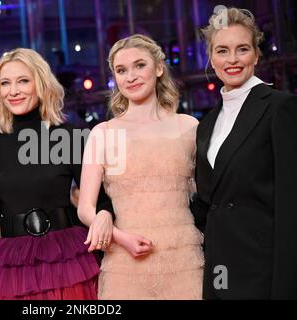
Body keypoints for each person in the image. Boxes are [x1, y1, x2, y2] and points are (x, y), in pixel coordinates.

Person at [0, 48, 114, 300]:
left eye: (23, 81)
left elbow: (100, 199)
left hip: (66, 259)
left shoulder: (68, 137)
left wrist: (106, 213)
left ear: (41, 84)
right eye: (5, 83)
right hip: (13, 266)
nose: (13, 91)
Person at [78, 34, 204, 300]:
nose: (131, 76)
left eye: (139, 65)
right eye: (121, 70)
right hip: (124, 262)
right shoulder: (103, 133)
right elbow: (85, 208)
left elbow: (209, 196)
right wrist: (119, 236)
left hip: (184, 260)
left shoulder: (190, 127)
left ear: (158, 68)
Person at [191, 7, 297, 300]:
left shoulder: (280, 108)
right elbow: (207, 203)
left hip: (263, 273)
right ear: (211, 58)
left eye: (242, 49)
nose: (233, 59)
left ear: (256, 55)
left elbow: (291, 207)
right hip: (219, 271)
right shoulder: (207, 124)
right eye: (222, 50)